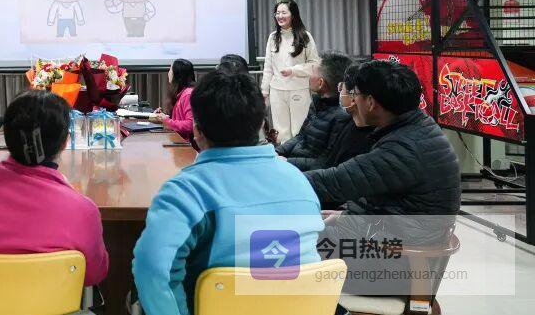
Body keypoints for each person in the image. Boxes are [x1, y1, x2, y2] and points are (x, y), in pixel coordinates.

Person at [133, 71, 323, 315]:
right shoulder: (299, 183)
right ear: (261, 125)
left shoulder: (185, 192)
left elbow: (152, 270)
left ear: (197, 130)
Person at [0, 90, 108, 286]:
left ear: (5, 136)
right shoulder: (83, 209)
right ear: (65, 142)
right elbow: (93, 275)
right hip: (48, 302)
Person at [304, 60, 460, 245]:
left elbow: (335, 181)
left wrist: (280, 179)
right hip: (402, 226)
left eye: (356, 94)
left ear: (370, 102)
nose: (353, 100)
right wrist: (347, 214)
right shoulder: (416, 124)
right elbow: (377, 189)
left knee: (299, 240)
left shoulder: (402, 149)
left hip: (401, 244)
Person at [276, 52, 365, 170]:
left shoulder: (342, 117)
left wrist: (288, 162)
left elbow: (326, 162)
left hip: (308, 172)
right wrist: (277, 152)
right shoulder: (317, 103)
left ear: (320, 83)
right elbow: (301, 136)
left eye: (312, 71)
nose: (309, 75)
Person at [260, 0, 320, 142]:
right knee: (281, 132)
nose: (280, 16)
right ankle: (283, 154)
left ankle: (298, 155)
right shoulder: (273, 37)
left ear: (293, 15)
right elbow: (268, 66)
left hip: (298, 89)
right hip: (277, 91)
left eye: (284, 12)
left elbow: (314, 64)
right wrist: (264, 91)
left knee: (299, 129)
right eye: (277, 13)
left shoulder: (305, 36)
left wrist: (294, 70)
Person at [155, 59, 194, 140]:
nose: (168, 73)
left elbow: (190, 125)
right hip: (177, 139)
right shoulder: (181, 92)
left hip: (186, 144)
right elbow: (179, 119)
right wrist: (163, 117)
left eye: (170, 70)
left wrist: (167, 121)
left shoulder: (188, 94)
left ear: (177, 75)